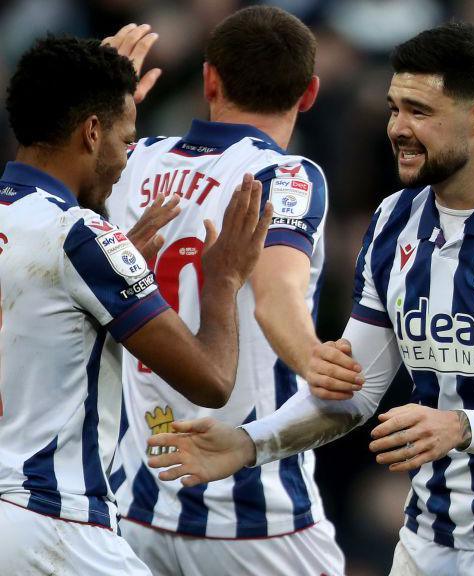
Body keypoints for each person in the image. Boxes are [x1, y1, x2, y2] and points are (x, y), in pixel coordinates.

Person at [147, 22, 474, 575]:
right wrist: (249, 443)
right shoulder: (395, 220)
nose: (398, 128)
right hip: (426, 537)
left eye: (420, 111)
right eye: (395, 108)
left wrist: (461, 427)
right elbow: (356, 390)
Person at [0, 36, 269, 575]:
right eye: (127, 138)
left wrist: (120, 269)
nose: (128, 158)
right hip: (55, 523)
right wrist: (222, 279)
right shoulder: (80, 238)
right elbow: (211, 381)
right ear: (92, 132)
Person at [101, 8, 346, 575]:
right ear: (308, 93)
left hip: (136, 510)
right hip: (259, 518)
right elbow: (276, 296)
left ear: (209, 79)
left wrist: (99, 104)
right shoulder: (285, 177)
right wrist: (318, 363)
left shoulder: (133, 160)